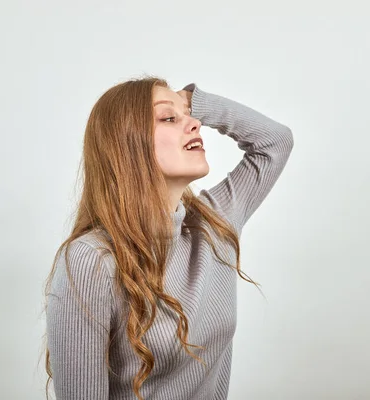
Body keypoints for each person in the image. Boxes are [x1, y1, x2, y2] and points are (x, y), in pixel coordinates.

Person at [43, 76, 294, 400]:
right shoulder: (92, 259)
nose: (194, 124)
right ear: (127, 143)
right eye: (168, 118)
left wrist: (192, 102)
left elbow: (276, 141)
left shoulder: (214, 223)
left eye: (188, 116)